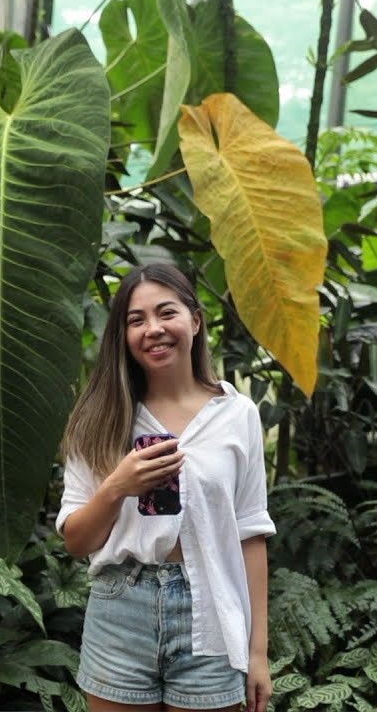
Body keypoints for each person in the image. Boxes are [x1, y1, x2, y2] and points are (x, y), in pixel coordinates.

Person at [56, 263, 275, 712]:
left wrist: (258, 654)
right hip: (121, 607)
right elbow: (76, 541)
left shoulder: (238, 415)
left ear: (195, 320)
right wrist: (118, 486)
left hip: (211, 610)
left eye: (166, 313)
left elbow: (250, 534)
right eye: (136, 320)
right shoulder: (99, 417)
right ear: (124, 336)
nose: (153, 329)